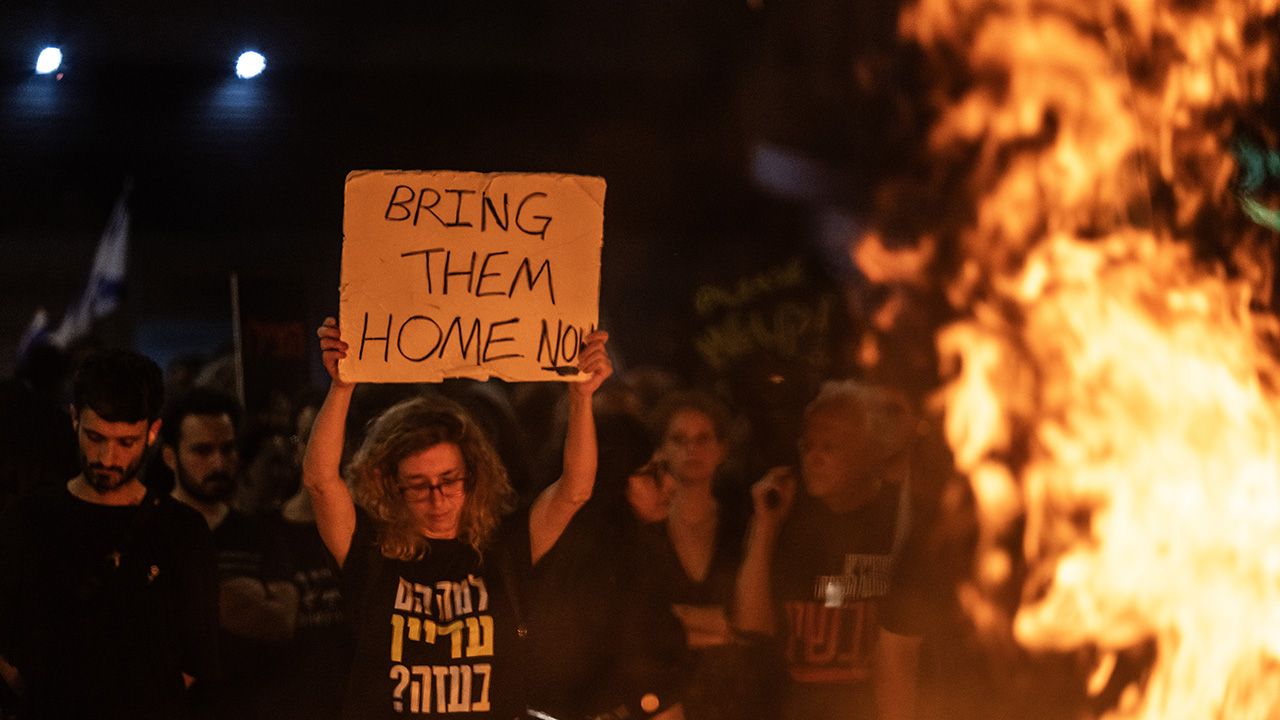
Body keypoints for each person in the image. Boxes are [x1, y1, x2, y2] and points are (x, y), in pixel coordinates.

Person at [304, 316, 612, 719]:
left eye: (449, 479)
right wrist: (342, 386)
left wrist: (581, 397)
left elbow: (575, 490)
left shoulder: (500, 547)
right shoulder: (370, 550)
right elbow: (321, 482)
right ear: (389, 486)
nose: (438, 496)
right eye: (418, 485)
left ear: (473, 477)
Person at [0, 348, 219, 719]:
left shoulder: (182, 531)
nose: (107, 458)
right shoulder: (28, 519)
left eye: (125, 442)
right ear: (74, 419)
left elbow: (196, 655)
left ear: (152, 433)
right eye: (95, 437)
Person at [733, 380, 917, 720]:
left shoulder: (895, 519)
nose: (814, 458)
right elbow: (752, 625)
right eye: (808, 446)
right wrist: (765, 527)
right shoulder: (786, 517)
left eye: (830, 446)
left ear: (869, 450)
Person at [163, 387, 300, 718]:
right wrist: (244, 596)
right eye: (202, 451)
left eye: (227, 449)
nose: (218, 463)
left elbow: (281, 622)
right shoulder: (150, 531)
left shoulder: (258, 533)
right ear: (171, 456)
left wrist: (182, 596)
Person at [626, 392, 752, 720]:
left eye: (703, 439)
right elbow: (640, 624)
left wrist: (678, 619)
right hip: (663, 696)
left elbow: (748, 622)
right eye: (679, 439)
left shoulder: (741, 525)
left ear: (722, 448)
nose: (691, 450)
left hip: (736, 696)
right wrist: (721, 626)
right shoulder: (646, 528)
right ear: (661, 449)